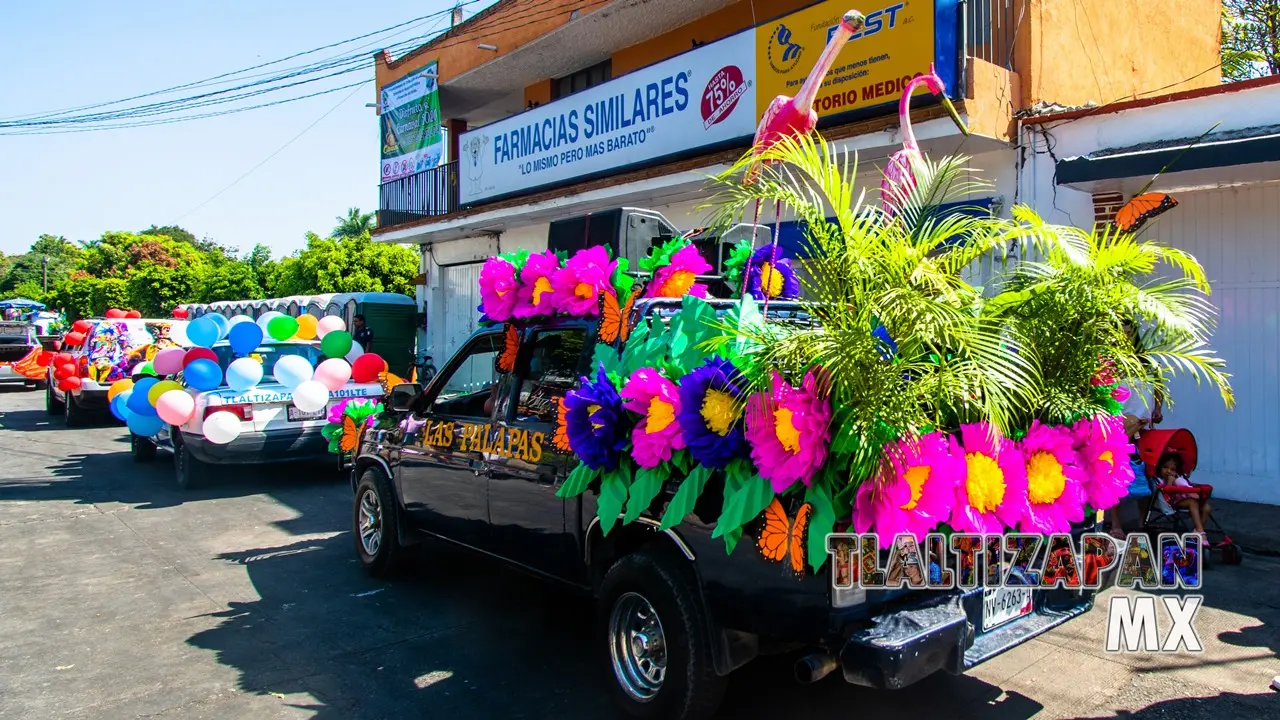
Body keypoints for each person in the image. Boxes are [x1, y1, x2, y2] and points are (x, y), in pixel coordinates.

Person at [1156, 452, 1213, 541]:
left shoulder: (1178, 478)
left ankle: (1196, 531)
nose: (1168, 471)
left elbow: (1185, 484)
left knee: (1207, 507)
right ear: (1160, 467)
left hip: (1185, 498)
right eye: (1165, 467)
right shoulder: (1161, 480)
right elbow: (1167, 493)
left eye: (1172, 469)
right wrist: (1170, 482)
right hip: (1173, 501)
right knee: (1192, 502)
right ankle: (1201, 531)